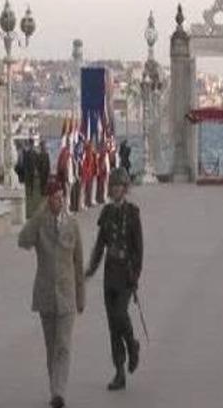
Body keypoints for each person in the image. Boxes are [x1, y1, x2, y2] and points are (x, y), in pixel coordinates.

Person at [17, 181, 85, 408]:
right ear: (48, 200)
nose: (59, 201)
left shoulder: (72, 224)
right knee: (51, 346)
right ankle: (54, 387)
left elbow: (78, 261)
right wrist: (37, 215)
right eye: (55, 198)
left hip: (66, 295)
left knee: (63, 345)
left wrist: (81, 296)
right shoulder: (41, 225)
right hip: (46, 295)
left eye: (61, 197)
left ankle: (59, 392)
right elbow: (22, 241)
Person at [85, 168, 143, 391]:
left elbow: (139, 249)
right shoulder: (107, 212)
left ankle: (132, 345)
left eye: (119, 186)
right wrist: (91, 268)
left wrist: (136, 274)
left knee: (120, 314)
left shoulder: (133, 213)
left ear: (125, 189)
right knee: (112, 326)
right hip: (110, 274)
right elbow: (101, 244)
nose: (116, 189)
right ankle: (119, 371)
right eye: (113, 186)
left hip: (126, 274)